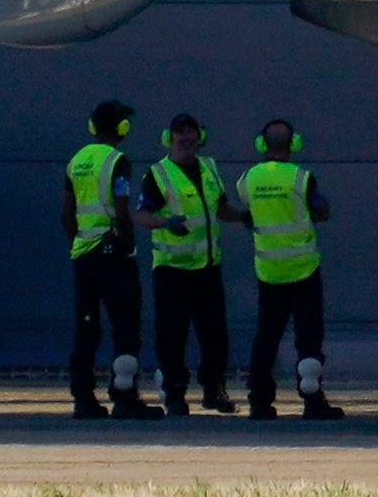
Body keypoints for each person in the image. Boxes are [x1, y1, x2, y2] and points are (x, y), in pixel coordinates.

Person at [239, 113, 341, 422]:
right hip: (303, 268)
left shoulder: (247, 179)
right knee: (308, 336)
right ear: (294, 144)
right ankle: (312, 399)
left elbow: (247, 211)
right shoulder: (301, 178)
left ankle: (259, 401)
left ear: (261, 144)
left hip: (268, 270)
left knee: (266, 336)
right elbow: (321, 210)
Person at [61, 98, 152, 423]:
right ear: (122, 128)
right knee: (125, 326)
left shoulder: (75, 162)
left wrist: (79, 243)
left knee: (87, 328)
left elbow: (67, 214)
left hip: (83, 255)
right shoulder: (118, 161)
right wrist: (126, 245)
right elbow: (122, 207)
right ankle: (124, 396)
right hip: (112, 253)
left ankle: (83, 398)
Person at [142, 109, 234, 417]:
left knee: (215, 335)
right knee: (172, 336)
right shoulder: (158, 174)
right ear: (169, 139)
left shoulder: (209, 168)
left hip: (208, 267)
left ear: (200, 139)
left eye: (191, 136)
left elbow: (221, 208)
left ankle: (213, 389)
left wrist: (248, 216)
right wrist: (165, 222)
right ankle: (175, 393)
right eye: (180, 135)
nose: (186, 140)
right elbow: (142, 215)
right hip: (172, 269)